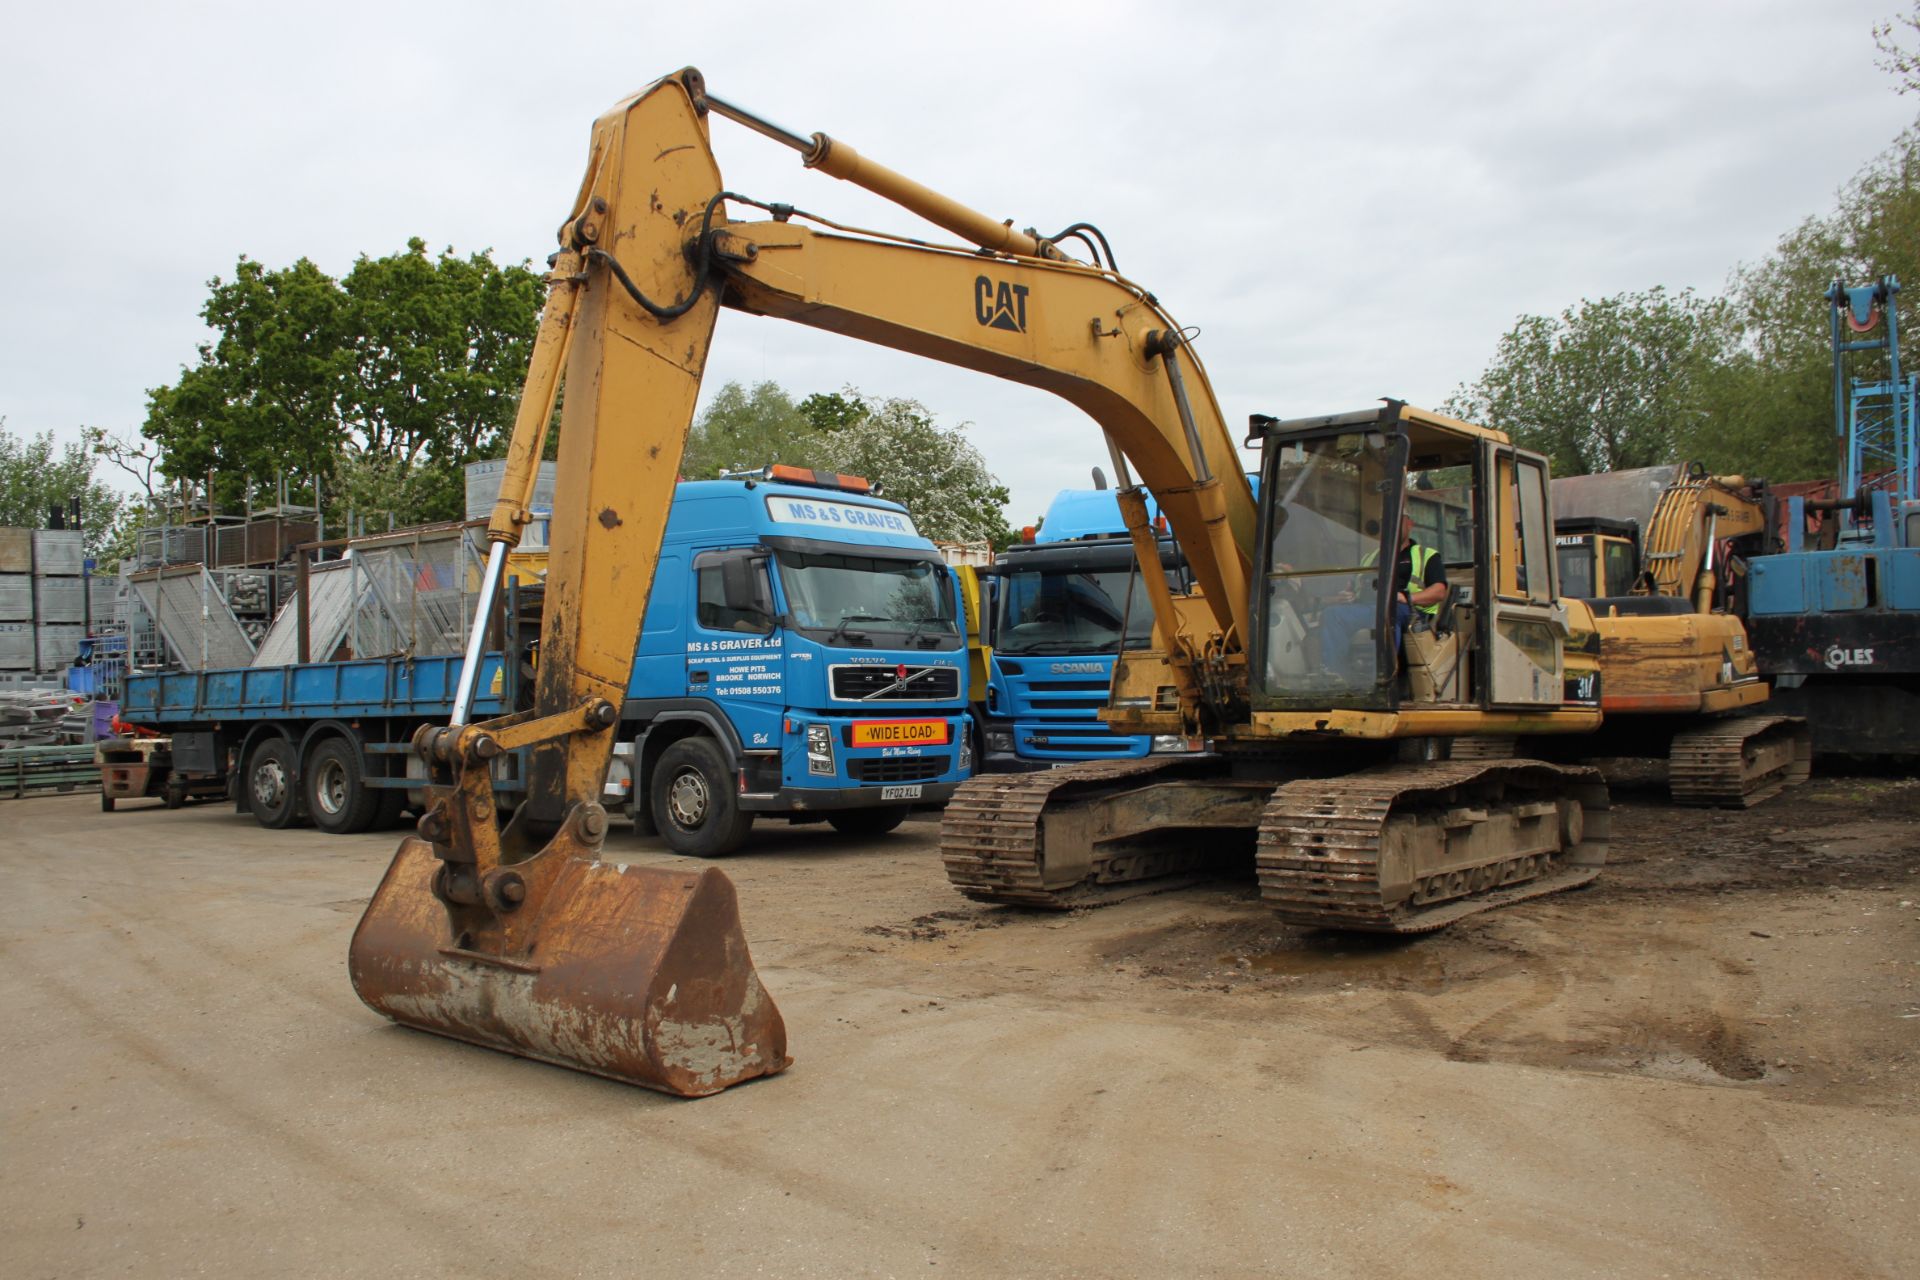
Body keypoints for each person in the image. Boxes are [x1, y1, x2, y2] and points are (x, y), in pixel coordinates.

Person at [1319, 509, 1449, 676]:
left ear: (1410, 524)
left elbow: (1438, 592)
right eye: (1385, 522)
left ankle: (1383, 676)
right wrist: (1347, 594)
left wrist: (1407, 597)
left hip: (1407, 612)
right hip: (1370, 608)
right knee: (1333, 614)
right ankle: (1335, 676)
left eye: (1397, 520)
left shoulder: (1427, 556)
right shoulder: (1370, 557)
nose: (1391, 525)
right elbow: (1356, 585)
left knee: (1387, 613)